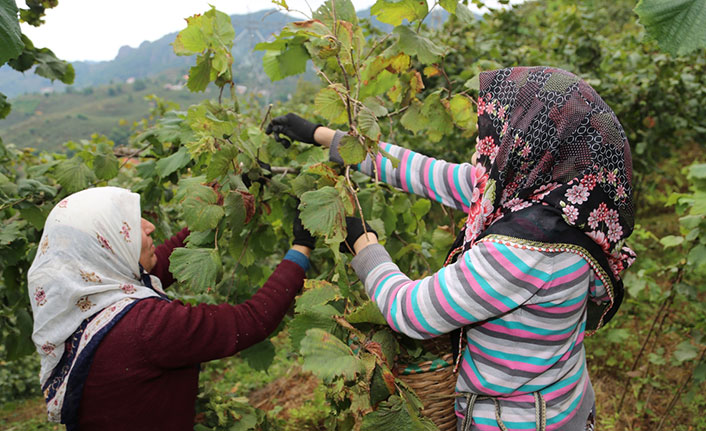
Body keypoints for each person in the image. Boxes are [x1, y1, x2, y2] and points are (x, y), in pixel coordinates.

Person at [266, 66, 636, 431]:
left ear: (531, 141)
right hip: (564, 403)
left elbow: (412, 312)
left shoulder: (526, 252)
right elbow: (425, 172)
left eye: (510, 126)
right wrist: (322, 135)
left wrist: (364, 244)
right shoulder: (571, 205)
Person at [27, 186, 315, 431]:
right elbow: (250, 321)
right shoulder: (147, 327)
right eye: (128, 224)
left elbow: (159, 264)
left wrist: (216, 207)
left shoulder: (82, 299)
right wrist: (301, 248)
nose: (148, 226)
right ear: (108, 245)